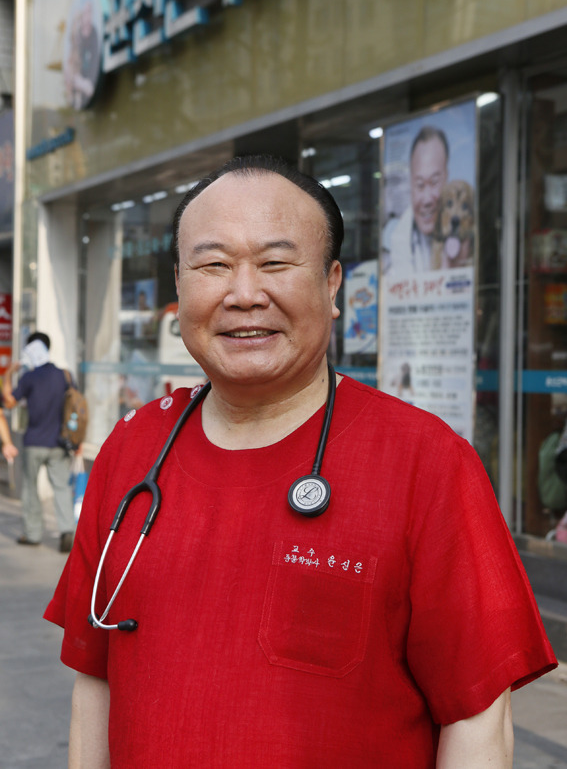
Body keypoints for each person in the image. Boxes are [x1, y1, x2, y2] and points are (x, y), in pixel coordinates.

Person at [45, 155, 556, 768]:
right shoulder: (132, 450)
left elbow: (477, 716)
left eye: (275, 263)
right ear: (179, 289)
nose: (243, 294)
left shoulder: (426, 462)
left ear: (332, 283)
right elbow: (94, 680)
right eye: (212, 266)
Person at [3, 332, 76, 552]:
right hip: (59, 443)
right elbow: (75, 407)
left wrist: (8, 374)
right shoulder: (65, 375)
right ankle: (66, 531)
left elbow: (8, 403)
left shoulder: (29, 378)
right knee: (62, 488)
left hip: (34, 441)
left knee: (30, 490)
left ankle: (33, 534)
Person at [388, 125, 449, 276]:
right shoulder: (395, 242)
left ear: (447, 177)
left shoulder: (464, 235)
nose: (427, 199)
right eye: (420, 185)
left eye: (434, 182)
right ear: (411, 185)